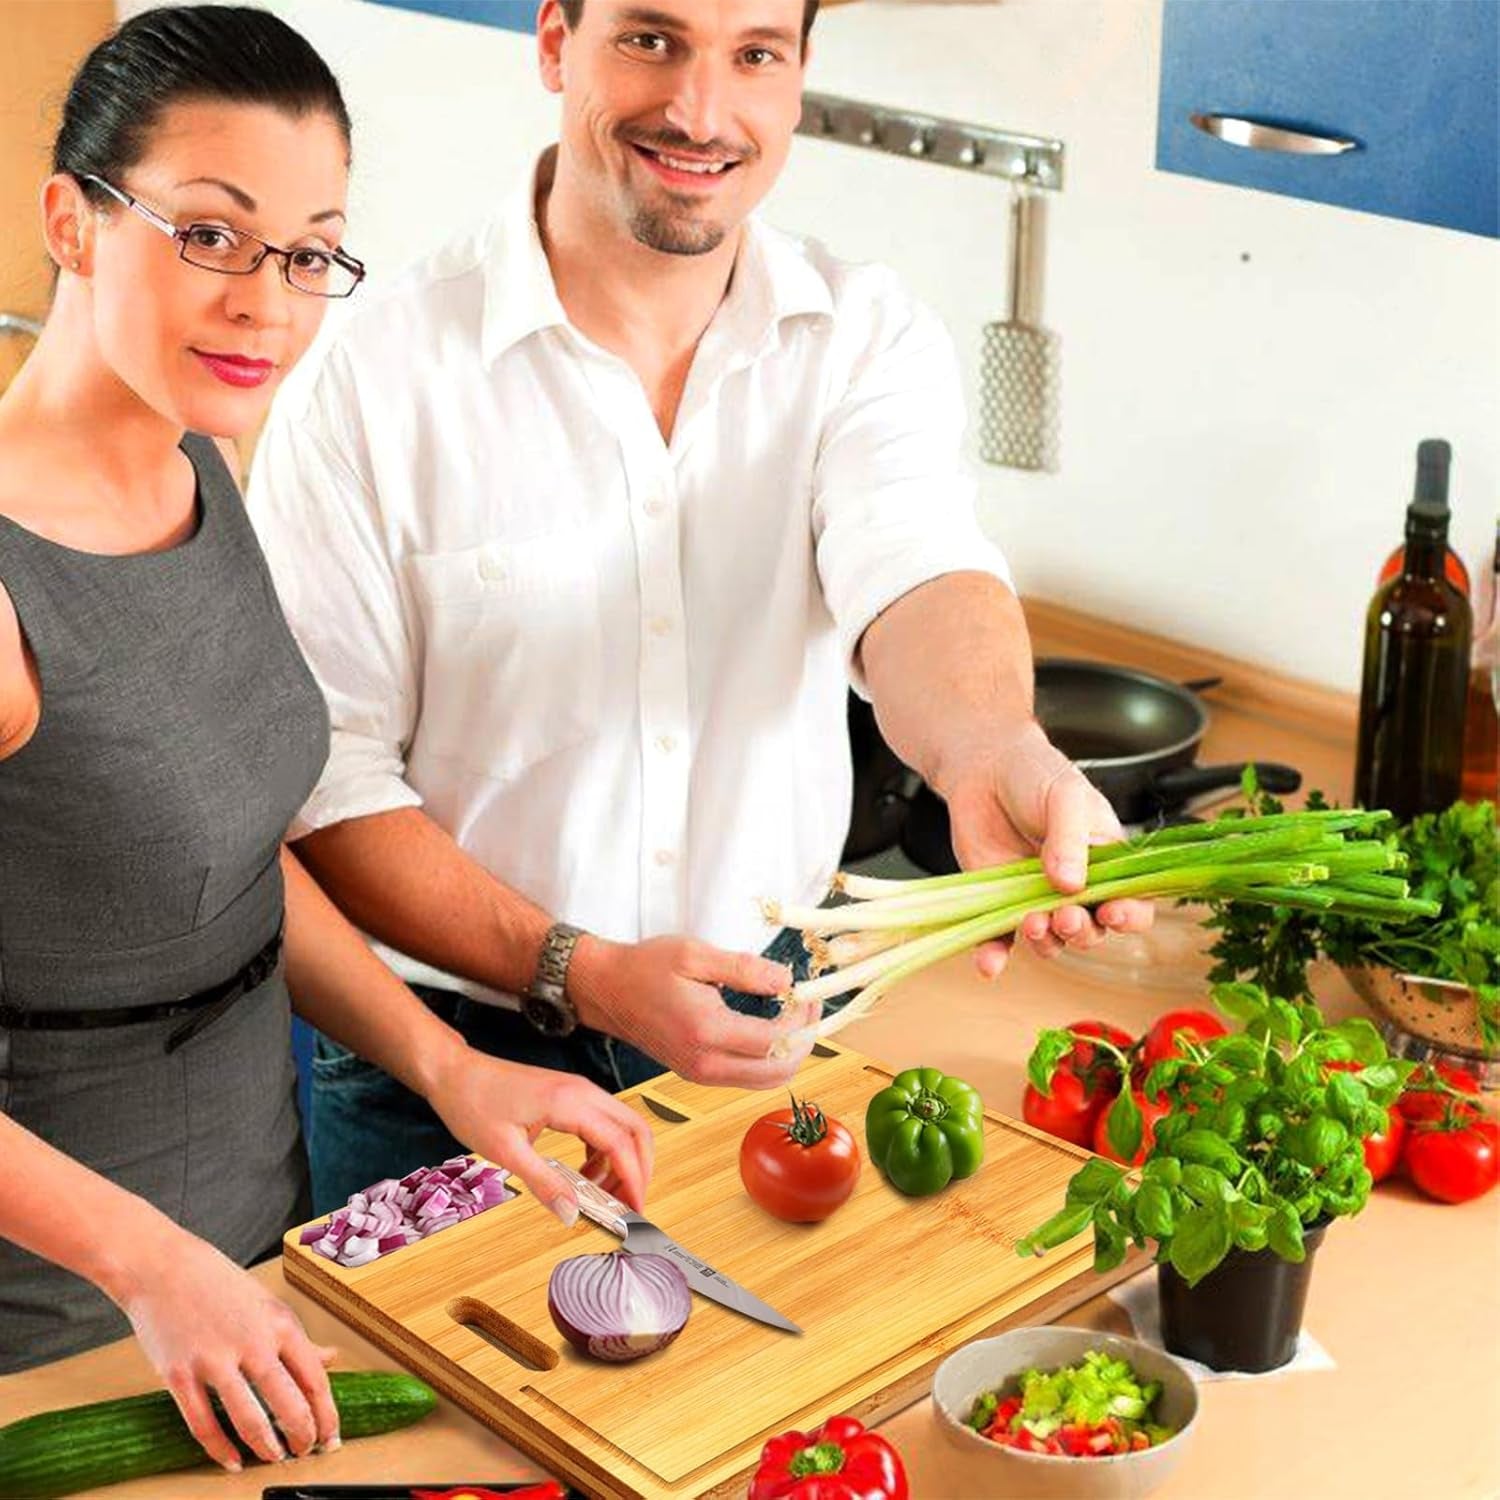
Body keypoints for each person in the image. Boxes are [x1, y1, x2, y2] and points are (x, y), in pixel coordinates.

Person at [249, 0, 1153, 1213]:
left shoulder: (863, 338)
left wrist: (994, 745)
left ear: (799, 75)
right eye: (651, 39)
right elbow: (325, 786)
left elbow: (921, 569)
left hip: (763, 1035)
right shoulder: (372, 376)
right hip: (445, 1073)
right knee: (444, 1408)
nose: (702, 112)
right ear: (556, 41)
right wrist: (583, 971)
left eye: (754, 55)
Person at [0, 4, 652, 1470]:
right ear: (72, 221)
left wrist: (448, 1066)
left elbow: (232, 862)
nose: (267, 304)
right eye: (210, 235)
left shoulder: (205, 472)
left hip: (250, 1273)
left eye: (306, 254)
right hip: (53, 1345)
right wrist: (148, 1261)